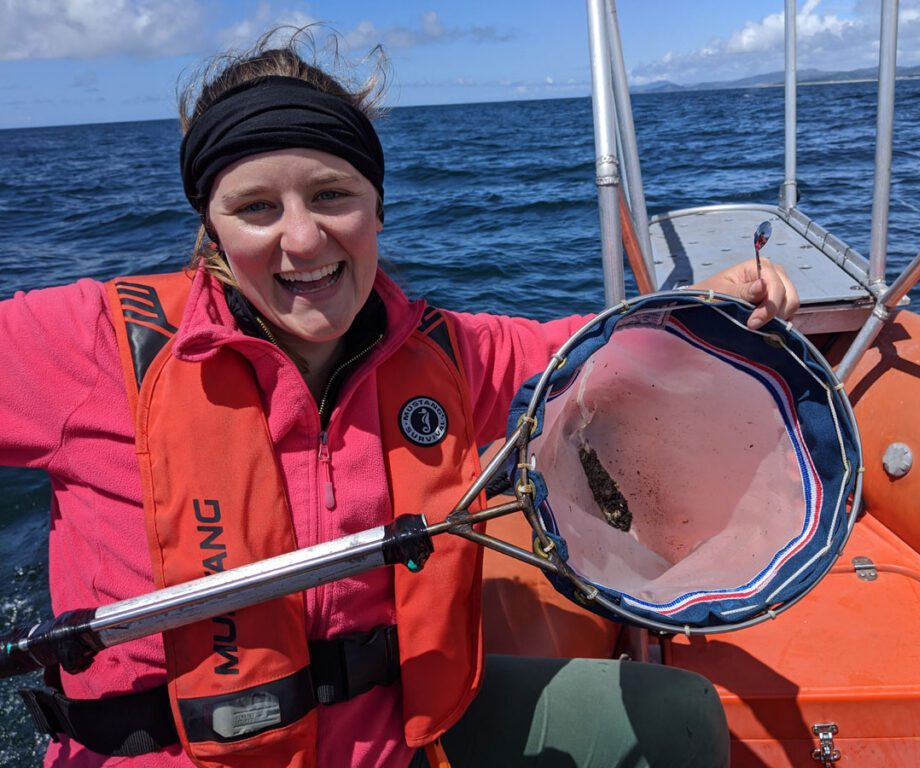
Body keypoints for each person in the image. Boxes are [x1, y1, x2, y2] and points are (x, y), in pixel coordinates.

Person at [0, 29, 797, 768]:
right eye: (255, 208)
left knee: (680, 717)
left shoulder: (443, 353)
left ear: (377, 205)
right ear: (211, 228)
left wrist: (709, 299)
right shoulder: (94, 346)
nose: (303, 239)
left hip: (400, 748)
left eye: (331, 195)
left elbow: (586, 353)